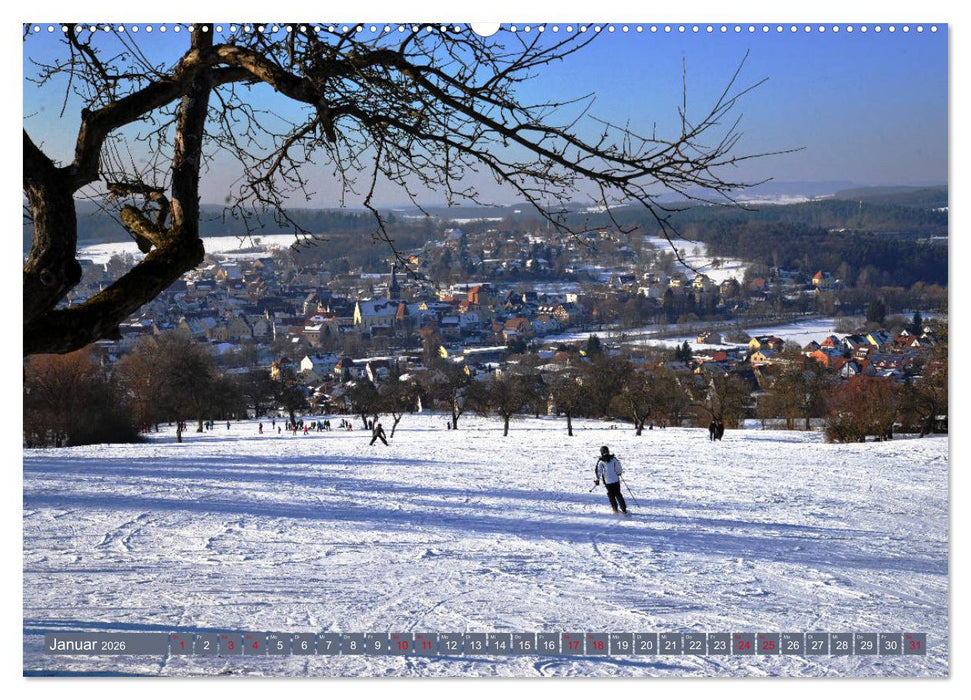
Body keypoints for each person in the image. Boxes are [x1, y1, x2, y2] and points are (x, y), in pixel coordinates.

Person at [594, 445, 627, 515]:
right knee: (618, 493)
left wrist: (597, 479)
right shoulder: (614, 459)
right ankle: (623, 508)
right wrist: (619, 472)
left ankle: (615, 509)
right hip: (615, 479)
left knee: (611, 495)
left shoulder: (601, 461)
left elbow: (598, 471)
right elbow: (619, 466)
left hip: (607, 481)